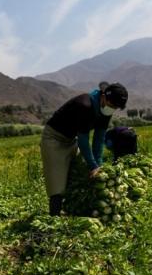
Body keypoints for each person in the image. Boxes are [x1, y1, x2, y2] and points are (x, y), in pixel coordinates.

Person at [41, 81, 128, 216]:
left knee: (79, 172)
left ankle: (72, 209)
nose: (112, 109)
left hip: (70, 140)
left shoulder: (106, 109)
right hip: (54, 139)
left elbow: (99, 139)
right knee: (57, 181)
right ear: (104, 97)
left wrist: (98, 165)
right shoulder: (85, 106)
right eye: (111, 105)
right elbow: (83, 140)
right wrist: (93, 165)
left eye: (115, 108)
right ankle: (54, 218)